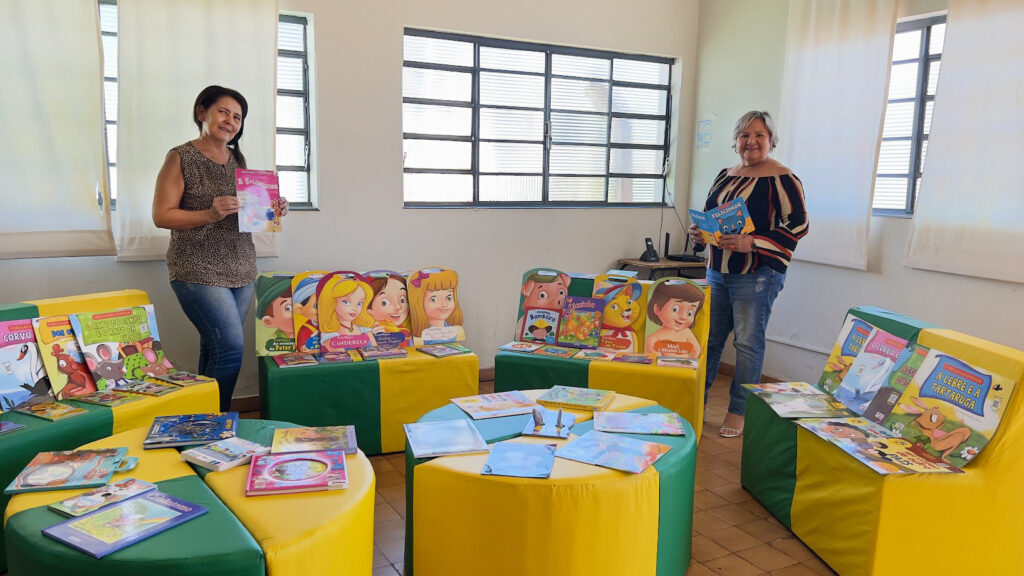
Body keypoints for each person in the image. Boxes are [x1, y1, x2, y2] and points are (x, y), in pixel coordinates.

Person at [153, 85, 288, 411]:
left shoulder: (237, 158)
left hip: (240, 266)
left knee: (214, 348)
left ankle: (202, 427)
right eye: (223, 112)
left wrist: (273, 208)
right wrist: (208, 214)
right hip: (197, 268)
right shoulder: (181, 157)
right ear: (203, 112)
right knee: (229, 347)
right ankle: (217, 423)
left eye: (237, 117)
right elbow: (161, 215)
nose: (230, 121)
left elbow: (249, 214)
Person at [688, 110, 808, 438]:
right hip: (717, 271)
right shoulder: (725, 174)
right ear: (735, 141)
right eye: (744, 135)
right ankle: (696, 403)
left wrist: (751, 242)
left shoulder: (783, 178)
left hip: (756, 275)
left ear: (771, 141)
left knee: (747, 344)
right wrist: (699, 233)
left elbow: (798, 223)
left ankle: (739, 410)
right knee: (709, 341)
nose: (750, 142)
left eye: (758, 135)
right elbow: (711, 214)